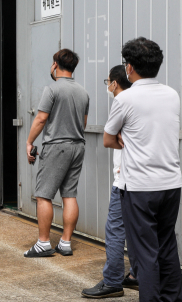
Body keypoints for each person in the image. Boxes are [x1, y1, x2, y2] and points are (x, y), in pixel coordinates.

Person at [104, 38, 182, 301]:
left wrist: (124, 140)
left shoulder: (126, 98)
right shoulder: (172, 94)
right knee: (167, 245)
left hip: (139, 188)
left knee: (144, 253)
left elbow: (107, 138)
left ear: (129, 68)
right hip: (171, 184)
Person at [24, 49, 89, 258]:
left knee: (43, 195)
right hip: (78, 146)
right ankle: (65, 243)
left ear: (55, 65)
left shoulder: (51, 89)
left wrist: (29, 141)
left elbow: (41, 119)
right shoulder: (82, 92)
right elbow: (84, 123)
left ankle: (43, 243)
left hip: (57, 146)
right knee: (69, 194)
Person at [82, 66, 137, 298]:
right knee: (138, 230)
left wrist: (119, 140)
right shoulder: (145, 99)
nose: (108, 86)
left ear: (115, 83)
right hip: (147, 180)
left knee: (115, 230)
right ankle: (137, 274)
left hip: (124, 179)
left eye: (108, 81)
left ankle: (113, 281)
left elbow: (108, 139)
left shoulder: (122, 100)